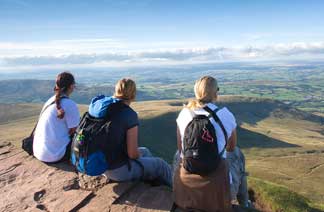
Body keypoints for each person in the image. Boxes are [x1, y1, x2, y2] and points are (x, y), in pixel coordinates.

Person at [173, 76, 237, 212]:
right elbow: (231, 147)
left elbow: (181, 149)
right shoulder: (226, 115)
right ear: (215, 92)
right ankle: (245, 202)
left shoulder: (184, 113)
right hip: (218, 189)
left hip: (186, 186)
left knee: (177, 154)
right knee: (238, 155)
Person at [103, 78, 172, 187]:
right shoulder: (129, 115)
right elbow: (132, 154)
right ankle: (180, 196)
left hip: (102, 165)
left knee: (145, 151)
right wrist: (137, 155)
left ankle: (151, 183)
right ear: (133, 94)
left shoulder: (106, 109)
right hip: (117, 170)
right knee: (161, 164)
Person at [33, 72, 80, 163]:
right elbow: (74, 131)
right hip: (56, 155)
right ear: (71, 86)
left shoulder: (50, 101)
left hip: (39, 152)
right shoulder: (70, 104)